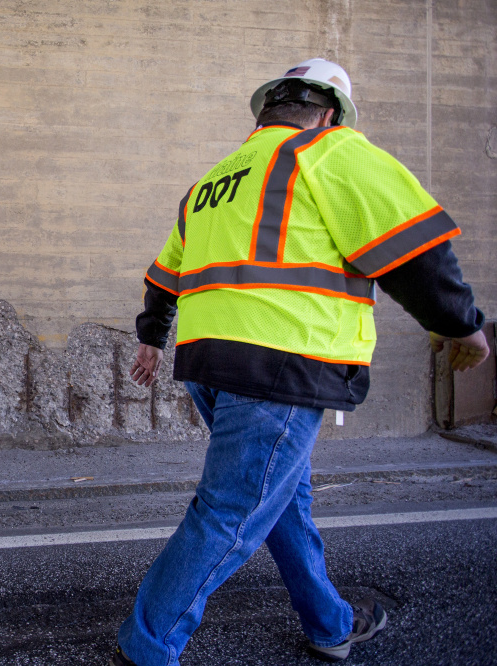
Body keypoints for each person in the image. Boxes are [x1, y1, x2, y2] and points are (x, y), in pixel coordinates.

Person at [111, 58, 490, 666]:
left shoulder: (212, 183)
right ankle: (146, 647)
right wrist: (461, 328)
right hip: (281, 365)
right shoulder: (329, 151)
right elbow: (415, 251)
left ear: (268, 109)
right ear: (331, 111)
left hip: (211, 367)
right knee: (230, 514)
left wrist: (151, 339)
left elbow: (164, 277)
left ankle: (330, 624)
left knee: (282, 497)